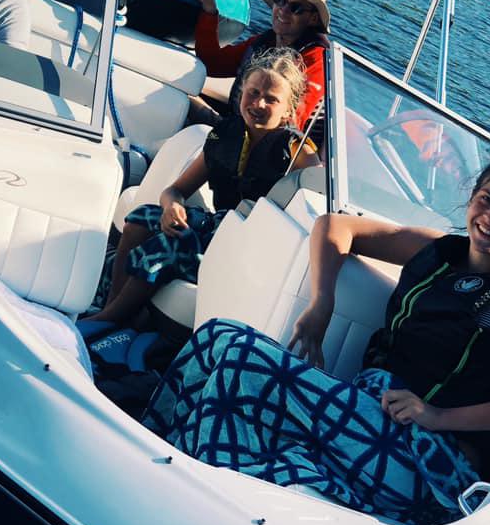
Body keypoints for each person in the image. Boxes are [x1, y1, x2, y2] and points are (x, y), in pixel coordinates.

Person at [140, 151, 490, 525]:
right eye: (485, 200)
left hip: (431, 461)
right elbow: (334, 228)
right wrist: (322, 303)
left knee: (241, 362)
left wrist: (437, 416)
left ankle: (192, 495)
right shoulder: (441, 252)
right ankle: (160, 456)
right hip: (375, 411)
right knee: (220, 335)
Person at [84, 49, 321, 326]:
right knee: (139, 219)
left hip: (246, 247)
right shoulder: (224, 135)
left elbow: (316, 209)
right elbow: (175, 191)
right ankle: (111, 307)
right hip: (214, 228)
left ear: (288, 110)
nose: (258, 103)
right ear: (242, 91)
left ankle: (109, 320)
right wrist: (171, 206)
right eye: (253, 92)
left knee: (165, 246)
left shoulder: (297, 152)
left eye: (271, 99)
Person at [187, 0, 330, 144]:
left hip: (265, 148)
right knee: (181, 100)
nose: (283, 10)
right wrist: (210, 9)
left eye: (296, 8)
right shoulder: (264, 42)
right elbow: (213, 63)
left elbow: (291, 124)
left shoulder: (317, 62)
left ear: (313, 19)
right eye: (281, 0)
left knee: (182, 105)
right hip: (239, 129)